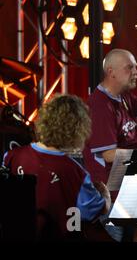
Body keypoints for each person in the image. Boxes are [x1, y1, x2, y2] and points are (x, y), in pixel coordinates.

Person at [2, 94, 111, 240]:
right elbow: (92, 212)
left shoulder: (11, 156)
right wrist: (105, 196)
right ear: (78, 129)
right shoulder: (76, 173)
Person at [82, 48, 137, 184]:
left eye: (135, 67)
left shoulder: (123, 95)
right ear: (111, 72)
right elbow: (109, 154)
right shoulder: (100, 105)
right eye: (130, 67)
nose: (136, 72)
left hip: (128, 177)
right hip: (110, 188)